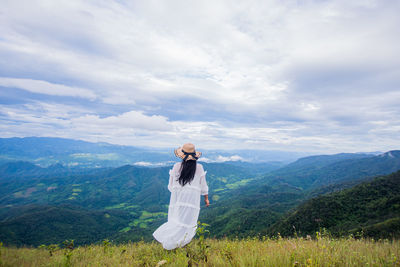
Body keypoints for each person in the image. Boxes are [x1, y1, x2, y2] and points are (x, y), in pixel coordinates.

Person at [153, 143, 209, 250]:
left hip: (179, 199)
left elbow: (171, 186)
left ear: (182, 155)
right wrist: (206, 198)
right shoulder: (199, 167)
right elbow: (203, 186)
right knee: (189, 222)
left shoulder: (177, 166)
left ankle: (172, 243)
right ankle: (183, 243)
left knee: (177, 220)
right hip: (193, 200)